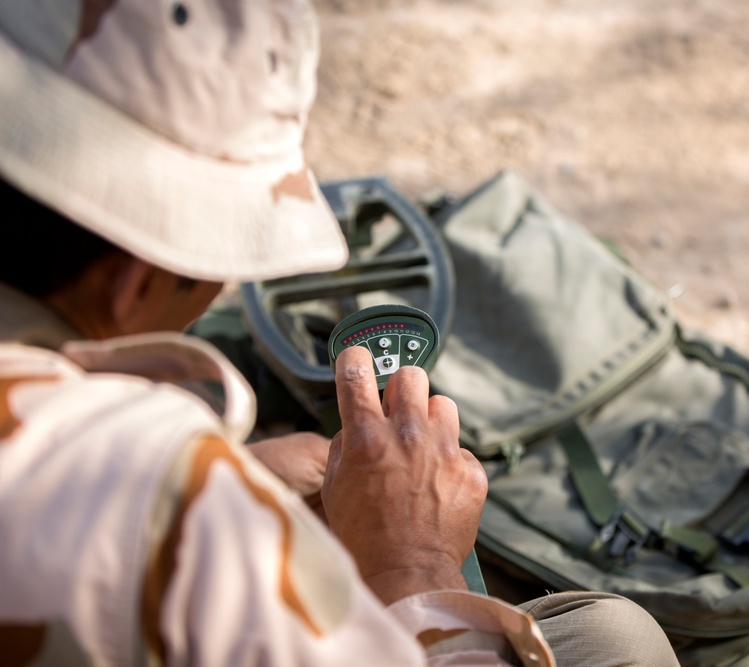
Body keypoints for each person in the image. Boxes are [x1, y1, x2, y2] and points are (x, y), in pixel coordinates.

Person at [0, 1, 679, 665]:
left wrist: (241, 482)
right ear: (132, 283)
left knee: (605, 637)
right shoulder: (156, 487)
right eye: (213, 272)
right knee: (620, 646)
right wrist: (411, 560)